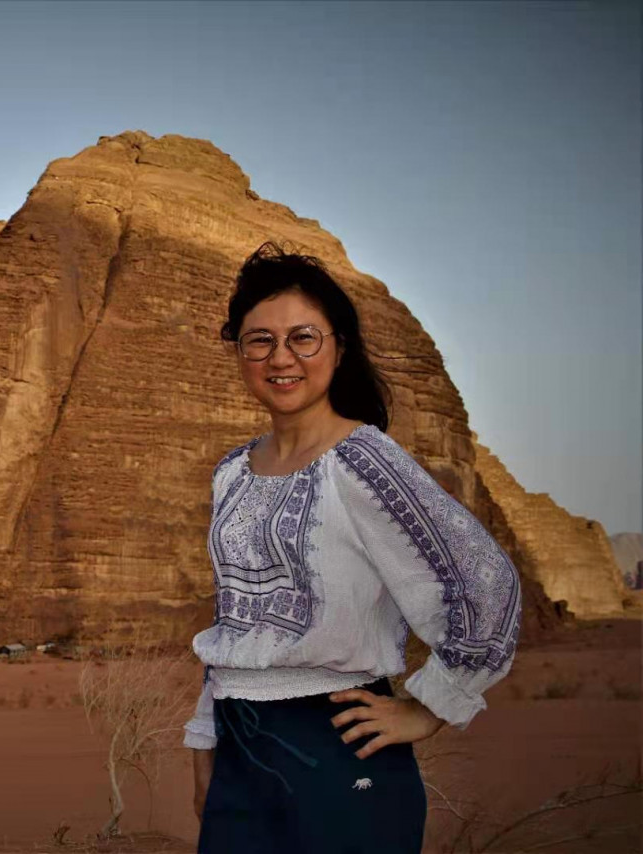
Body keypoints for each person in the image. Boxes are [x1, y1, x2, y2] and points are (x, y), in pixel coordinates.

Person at [184, 242, 521, 854]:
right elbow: (233, 621)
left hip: (338, 745)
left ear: (338, 348)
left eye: (302, 338)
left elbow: (487, 583)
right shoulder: (232, 473)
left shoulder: (365, 462)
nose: (280, 357)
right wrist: (206, 739)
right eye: (259, 340)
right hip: (241, 749)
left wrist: (428, 708)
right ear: (239, 352)